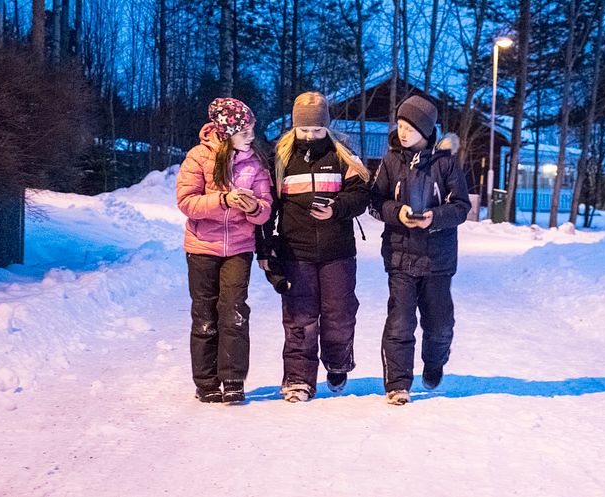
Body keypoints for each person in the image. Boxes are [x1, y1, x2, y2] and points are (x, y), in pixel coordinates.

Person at [258, 91, 370, 402]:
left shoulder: (342, 155)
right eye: (303, 129)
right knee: (300, 317)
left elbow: (362, 195)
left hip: (339, 252)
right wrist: (266, 248)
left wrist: (337, 207)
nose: (310, 135)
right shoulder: (279, 159)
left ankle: (337, 364)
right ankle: (298, 379)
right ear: (294, 127)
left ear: (327, 127)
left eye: (317, 130)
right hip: (297, 251)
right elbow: (268, 208)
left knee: (339, 314)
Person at [369, 95, 471, 405]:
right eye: (399, 125)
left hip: (438, 260)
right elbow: (375, 202)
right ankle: (398, 383)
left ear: (426, 131)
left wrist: (434, 218)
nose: (402, 132)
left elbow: (461, 207)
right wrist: (397, 213)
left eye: (410, 127)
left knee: (439, 323)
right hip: (400, 256)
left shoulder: (446, 163)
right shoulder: (390, 161)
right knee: (400, 321)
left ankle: (435, 361)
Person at [176, 97, 272, 404]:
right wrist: (222, 201)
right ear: (227, 131)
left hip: (239, 248)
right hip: (202, 246)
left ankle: (232, 378)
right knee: (205, 314)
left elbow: (266, 207)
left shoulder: (254, 161)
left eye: (252, 130)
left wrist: (255, 207)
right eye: (245, 132)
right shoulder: (197, 157)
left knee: (234, 312)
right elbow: (186, 202)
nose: (251, 137)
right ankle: (205, 382)